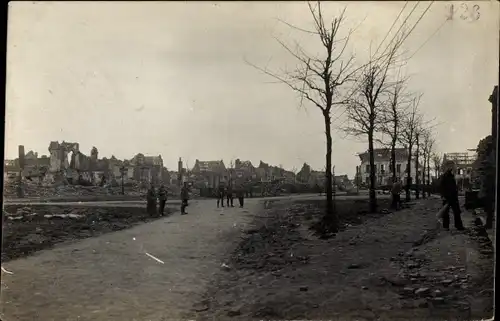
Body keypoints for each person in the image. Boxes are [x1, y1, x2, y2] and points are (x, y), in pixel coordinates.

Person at [439, 161, 465, 231]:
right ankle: (448, 226)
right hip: (447, 197)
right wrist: (443, 196)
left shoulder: (452, 176)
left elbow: (453, 187)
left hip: (453, 197)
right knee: (446, 212)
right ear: (449, 167)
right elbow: (441, 187)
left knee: (456, 212)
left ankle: (457, 226)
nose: (454, 167)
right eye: (453, 166)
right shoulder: (445, 176)